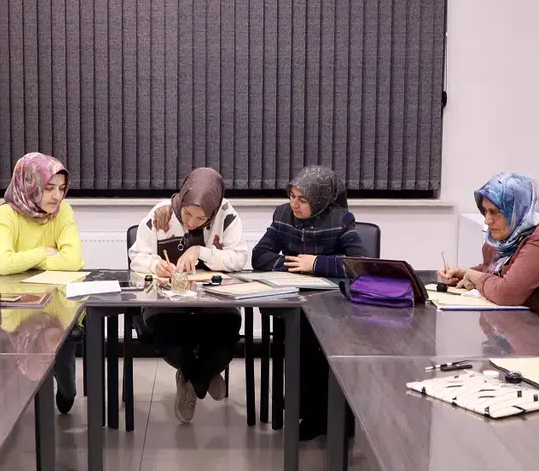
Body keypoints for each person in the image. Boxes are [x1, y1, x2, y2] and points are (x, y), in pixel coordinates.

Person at [129, 167, 250, 424]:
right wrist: (155, 264)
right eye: (187, 214)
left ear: (213, 211)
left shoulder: (226, 215)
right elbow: (136, 256)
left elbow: (239, 258)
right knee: (171, 339)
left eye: (201, 218)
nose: (192, 223)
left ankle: (193, 377)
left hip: (215, 303)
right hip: (166, 305)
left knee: (224, 341)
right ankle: (203, 377)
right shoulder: (162, 214)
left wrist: (200, 251)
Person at [252, 165, 365, 439]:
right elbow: (259, 255)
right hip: (296, 299)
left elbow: (359, 263)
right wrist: (292, 266)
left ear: (320, 200)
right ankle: (307, 410)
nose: (294, 205)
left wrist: (316, 264)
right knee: (298, 334)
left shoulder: (341, 219)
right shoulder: (283, 215)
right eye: (292, 196)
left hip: (332, 304)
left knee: (318, 341)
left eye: (303, 200)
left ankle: (329, 415)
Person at [438, 172, 539, 337]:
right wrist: (462, 274)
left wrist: (474, 277)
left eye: (494, 212)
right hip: (525, 330)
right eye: (485, 211)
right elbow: (499, 270)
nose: (487, 220)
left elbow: (506, 293)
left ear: (517, 210)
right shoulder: (508, 236)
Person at [0, 153, 83, 413]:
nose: (57, 196)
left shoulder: (63, 211)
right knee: (25, 379)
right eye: (49, 188)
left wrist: (23, 260)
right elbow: (2, 263)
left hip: (58, 305)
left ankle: (65, 387)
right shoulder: (7, 214)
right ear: (30, 184)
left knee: (67, 385)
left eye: (61, 189)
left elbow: (73, 260)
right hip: (17, 309)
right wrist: (44, 253)